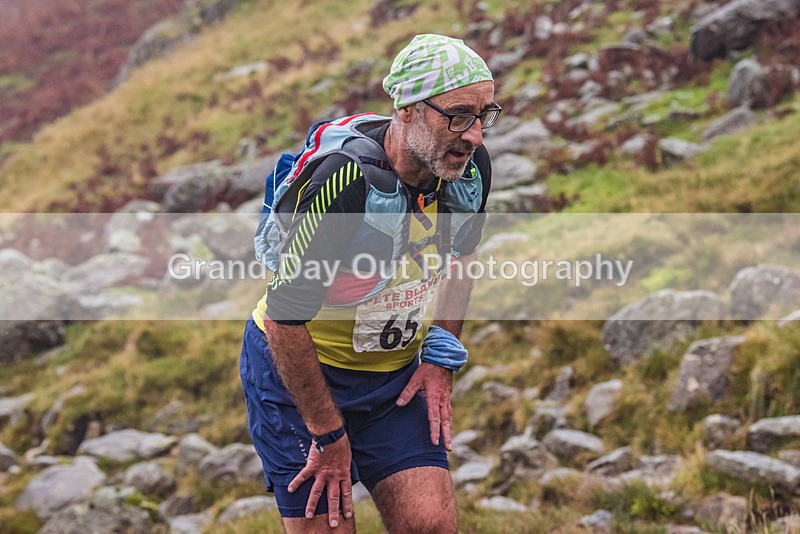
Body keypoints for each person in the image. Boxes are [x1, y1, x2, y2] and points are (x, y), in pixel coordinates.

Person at [240, 34, 501, 533]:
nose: (474, 136)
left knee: (431, 526)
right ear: (405, 109)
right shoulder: (343, 183)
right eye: (458, 115)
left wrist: (441, 355)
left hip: (392, 381)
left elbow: (462, 257)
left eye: (485, 115)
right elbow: (283, 317)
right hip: (299, 379)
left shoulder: (468, 171)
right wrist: (328, 432)